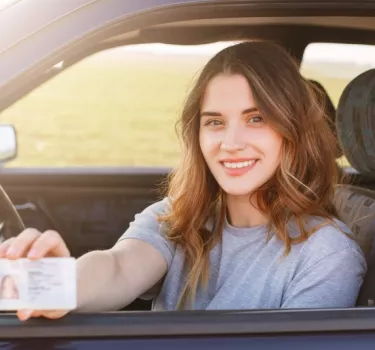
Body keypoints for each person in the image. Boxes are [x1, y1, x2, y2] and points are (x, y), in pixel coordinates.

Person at [0, 40, 366, 321]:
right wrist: (59, 283)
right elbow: (120, 267)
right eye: (215, 122)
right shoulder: (183, 214)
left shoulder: (327, 254)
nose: (231, 143)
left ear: (291, 130)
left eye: (257, 118)